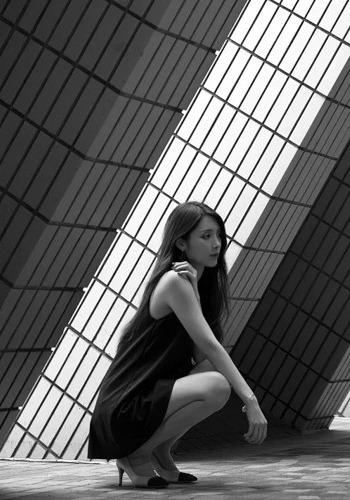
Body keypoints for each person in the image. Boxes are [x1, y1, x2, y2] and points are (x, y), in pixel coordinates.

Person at [88, 202, 268, 487]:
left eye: (218, 235)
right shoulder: (174, 280)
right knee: (217, 384)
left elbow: (201, 355)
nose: (217, 244)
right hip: (126, 409)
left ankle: (160, 451)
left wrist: (196, 294)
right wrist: (250, 400)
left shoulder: (192, 284)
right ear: (181, 243)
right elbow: (210, 345)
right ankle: (136, 454)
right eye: (206, 236)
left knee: (211, 371)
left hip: (150, 400)